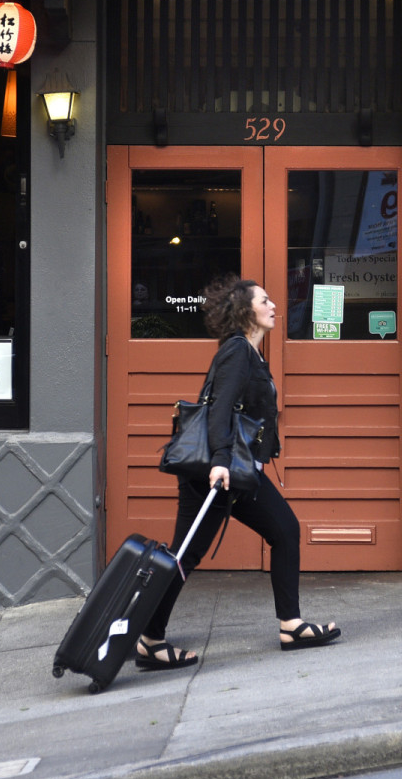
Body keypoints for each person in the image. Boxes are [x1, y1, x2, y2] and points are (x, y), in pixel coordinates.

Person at [135, 275, 343, 668]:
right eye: (265, 300)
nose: (274, 305)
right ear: (247, 310)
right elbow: (219, 407)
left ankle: (290, 624)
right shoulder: (237, 351)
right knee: (186, 554)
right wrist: (218, 462)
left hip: (235, 470)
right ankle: (149, 639)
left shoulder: (249, 352)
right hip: (219, 472)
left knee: (282, 531)